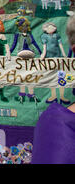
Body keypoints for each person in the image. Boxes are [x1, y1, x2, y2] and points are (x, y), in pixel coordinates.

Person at [31, 15, 75, 163]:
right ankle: (53, 95)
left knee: (61, 80)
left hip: (60, 63)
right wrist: (43, 55)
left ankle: (61, 95)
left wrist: (63, 55)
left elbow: (62, 47)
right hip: (51, 64)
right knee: (55, 81)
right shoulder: (58, 125)